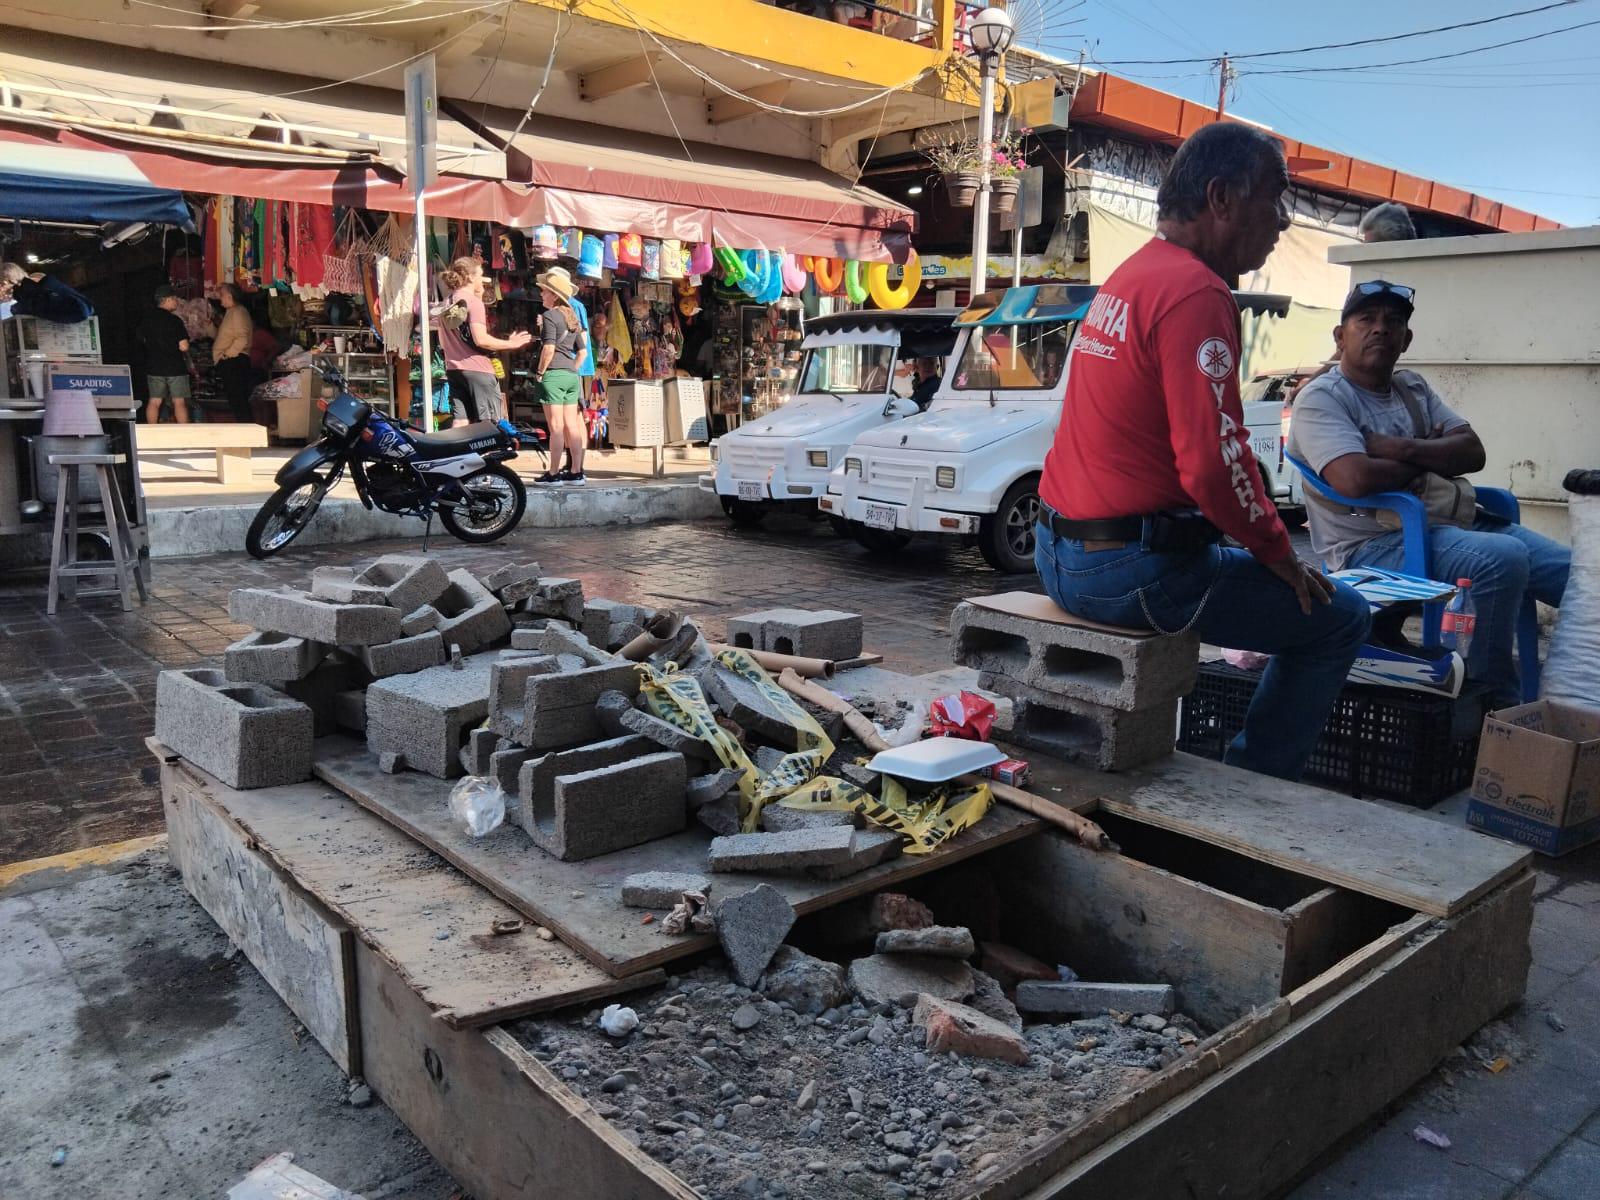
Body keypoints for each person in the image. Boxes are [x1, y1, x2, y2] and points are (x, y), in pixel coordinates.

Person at [1034, 122, 1371, 782]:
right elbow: (1215, 467)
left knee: (1235, 563)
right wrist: (1280, 555)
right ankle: (1257, 781)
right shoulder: (1197, 292)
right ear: (1221, 197)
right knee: (1341, 618)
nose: (1281, 223)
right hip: (1127, 574)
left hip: (1058, 553)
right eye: (1275, 199)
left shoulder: (1133, 274)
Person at [1288, 280, 1569, 707]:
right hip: (1372, 544)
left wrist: (1397, 449)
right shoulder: (1322, 400)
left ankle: (1579, 697)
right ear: (1340, 335)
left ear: (1407, 339)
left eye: (1393, 321)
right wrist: (1433, 453)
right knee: (1501, 559)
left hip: (1453, 520)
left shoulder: (1412, 387)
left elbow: (1472, 451)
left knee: (1579, 573)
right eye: (1366, 319)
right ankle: (1489, 707)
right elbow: (1355, 479)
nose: (1380, 329)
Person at [436, 256, 532, 425]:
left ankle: (461, 452)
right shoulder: (473, 303)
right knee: (489, 424)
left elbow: (443, 342)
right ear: (471, 277)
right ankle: (488, 453)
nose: (481, 280)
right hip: (478, 369)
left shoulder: (447, 303)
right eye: (480, 275)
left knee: (461, 421)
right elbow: (481, 340)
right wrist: (511, 344)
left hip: (454, 369)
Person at [533, 266, 589, 486]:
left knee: (555, 427)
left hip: (554, 374)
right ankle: (576, 472)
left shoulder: (549, 316)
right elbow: (583, 352)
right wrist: (572, 368)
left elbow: (548, 348)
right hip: (570, 376)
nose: (541, 294)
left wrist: (540, 372)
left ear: (554, 295)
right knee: (571, 426)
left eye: (544, 290)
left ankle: (554, 473)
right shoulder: (572, 318)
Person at [139, 284, 192, 424]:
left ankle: (151, 431)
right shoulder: (175, 321)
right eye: (174, 298)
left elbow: (142, 340)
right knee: (179, 402)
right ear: (167, 300)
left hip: (154, 366)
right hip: (175, 367)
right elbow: (184, 346)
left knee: (154, 401)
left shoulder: (147, 320)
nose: (177, 302)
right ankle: (185, 433)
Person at [212, 282, 256, 423]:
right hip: (232, 361)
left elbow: (242, 338)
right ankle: (245, 429)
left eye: (222, 295)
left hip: (235, 361)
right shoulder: (231, 312)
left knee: (238, 400)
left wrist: (227, 355)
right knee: (236, 400)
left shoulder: (238, 312)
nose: (220, 298)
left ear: (230, 296)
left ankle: (247, 431)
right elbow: (225, 336)